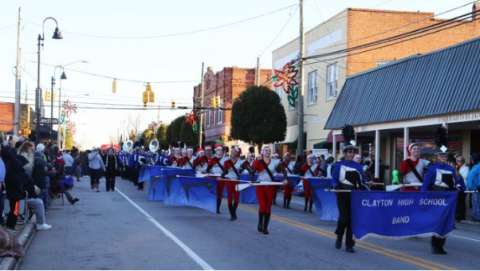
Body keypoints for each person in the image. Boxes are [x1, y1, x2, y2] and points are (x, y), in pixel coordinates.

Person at [422, 146, 465, 255]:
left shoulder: (451, 169)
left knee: (447, 222)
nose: (443, 157)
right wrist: (424, 198)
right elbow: (426, 185)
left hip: (448, 199)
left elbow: (458, 181)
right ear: (437, 156)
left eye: (445, 155)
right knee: (438, 222)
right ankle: (435, 245)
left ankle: (441, 245)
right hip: (436, 198)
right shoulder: (432, 168)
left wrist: (459, 187)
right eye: (441, 155)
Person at [332, 141, 365, 253]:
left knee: (352, 220)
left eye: (352, 152)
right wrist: (336, 186)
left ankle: (349, 244)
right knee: (343, 218)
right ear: (345, 153)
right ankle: (339, 235)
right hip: (342, 193)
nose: (351, 154)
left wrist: (363, 186)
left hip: (354, 195)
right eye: (349, 152)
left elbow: (361, 181)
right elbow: (334, 178)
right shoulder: (338, 165)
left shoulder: (358, 167)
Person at [252, 145, 282, 235]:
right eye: (266, 150)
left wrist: (284, 178)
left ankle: (265, 227)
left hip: (270, 186)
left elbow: (280, 171)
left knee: (268, 206)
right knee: (263, 204)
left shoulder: (275, 162)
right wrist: (256, 162)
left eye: (269, 151)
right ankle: (260, 223)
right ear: (262, 152)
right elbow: (253, 170)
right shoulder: (258, 161)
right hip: (260, 185)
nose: (268, 152)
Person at [221, 146, 244, 221]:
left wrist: (241, 170)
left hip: (237, 181)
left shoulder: (240, 162)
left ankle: (234, 212)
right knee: (230, 197)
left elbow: (242, 171)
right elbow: (224, 172)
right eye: (232, 151)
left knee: (237, 197)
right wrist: (225, 172)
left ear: (237, 153)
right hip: (229, 180)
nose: (233, 153)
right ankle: (232, 214)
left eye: (235, 152)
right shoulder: (226, 162)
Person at [207, 145, 227, 214]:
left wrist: (221, 176)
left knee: (219, 194)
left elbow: (226, 170)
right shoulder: (212, 159)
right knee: (212, 193)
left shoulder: (226, 160)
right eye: (218, 150)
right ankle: (211, 206)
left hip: (221, 179)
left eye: (221, 150)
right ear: (216, 151)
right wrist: (210, 173)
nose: (220, 152)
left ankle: (217, 208)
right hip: (213, 178)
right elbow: (208, 169)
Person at [467, 153, 480, 221]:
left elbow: (470, 177)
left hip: (476, 188)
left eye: (471, 159)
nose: (471, 160)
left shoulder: (476, 167)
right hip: (477, 187)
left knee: (476, 202)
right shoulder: (476, 166)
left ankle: (477, 216)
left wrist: (469, 186)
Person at [455, 155, 469, 221]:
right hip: (458, 187)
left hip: (463, 187)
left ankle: (461, 216)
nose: (457, 162)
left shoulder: (466, 168)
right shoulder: (458, 167)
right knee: (459, 202)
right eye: (457, 160)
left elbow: (464, 177)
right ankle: (459, 215)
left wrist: (457, 173)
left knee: (461, 202)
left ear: (462, 161)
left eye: (459, 161)